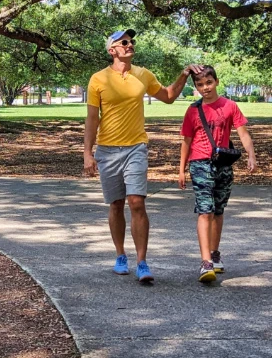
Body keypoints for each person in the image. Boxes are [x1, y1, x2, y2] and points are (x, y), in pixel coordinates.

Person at [84, 29, 199, 285]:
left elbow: (168, 97)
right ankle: (120, 256)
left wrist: (183, 75)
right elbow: (93, 118)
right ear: (112, 50)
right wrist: (87, 153)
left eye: (132, 41)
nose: (130, 44)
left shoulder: (143, 75)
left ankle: (142, 262)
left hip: (136, 146)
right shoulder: (98, 79)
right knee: (116, 204)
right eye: (124, 42)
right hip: (107, 150)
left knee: (136, 201)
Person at [178, 66, 256, 283]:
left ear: (217, 82)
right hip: (199, 163)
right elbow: (186, 141)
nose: (205, 88)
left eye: (209, 83)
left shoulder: (229, 106)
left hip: (222, 164)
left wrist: (251, 155)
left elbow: (243, 133)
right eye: (200, 85)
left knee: (218, 211)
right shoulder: (193, 111)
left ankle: (214, 253)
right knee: (205, 211)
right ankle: (205, 263)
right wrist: (181, 169)